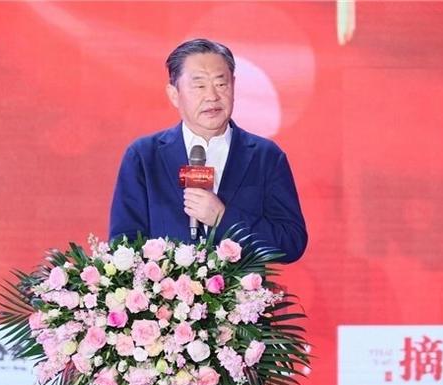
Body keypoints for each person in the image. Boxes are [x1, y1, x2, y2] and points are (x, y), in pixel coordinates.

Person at [109, 39, 307, 262]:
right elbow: (123, 247)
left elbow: (291, 243)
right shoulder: (144, 157)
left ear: (234, 85)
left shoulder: (266, 157)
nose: (212, 96)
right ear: (174, 94)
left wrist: (224, 219)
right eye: (199, 86)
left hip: (242, 286)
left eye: (221, 84)